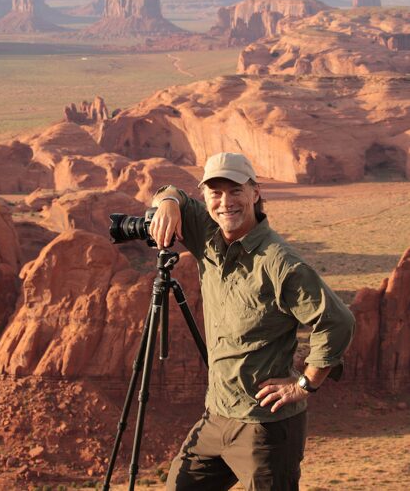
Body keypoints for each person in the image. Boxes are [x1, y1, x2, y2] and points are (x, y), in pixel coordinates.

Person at [150, 152, 355, 491]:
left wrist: (304, 385)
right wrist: (169, 200)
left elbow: (338, 322)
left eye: (235, 191)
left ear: (255, 192)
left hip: (265, 429)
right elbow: (172, 192)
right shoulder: (207, 236)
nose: (225, 202)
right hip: (216, 417)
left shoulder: (280, 264)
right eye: (215, 192)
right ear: (205, 196)